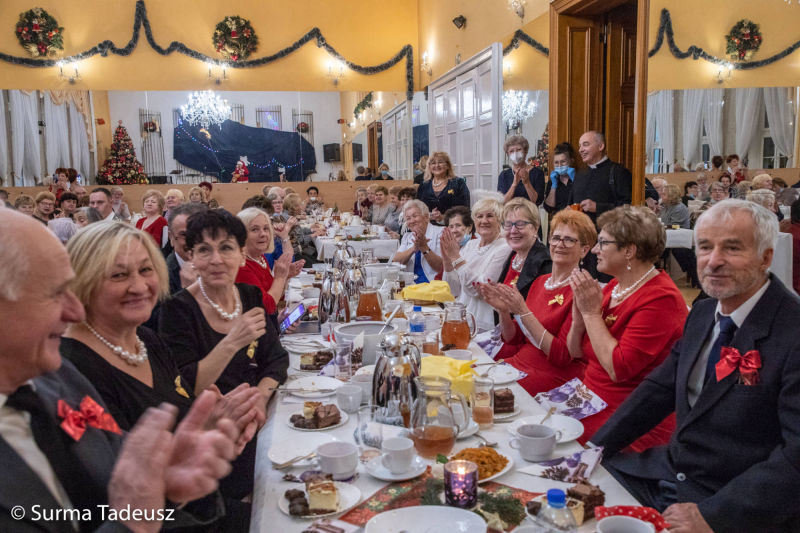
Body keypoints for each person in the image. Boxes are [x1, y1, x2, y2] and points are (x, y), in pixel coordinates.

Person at [0, 209, 240, 532]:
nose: (75, 311)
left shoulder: (57, 379)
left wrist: (168, 480)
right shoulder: (73, 361)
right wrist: (132, 522)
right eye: (54, 292)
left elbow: (116, 467)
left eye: (146, 270)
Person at [592, 199, 800, 532]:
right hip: (669, 472)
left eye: (732, 248)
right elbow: (659, 389)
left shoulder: (792, 331)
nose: (713, 261)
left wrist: (715, 516)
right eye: (704, 247)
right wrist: (595, 449)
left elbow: (795, 457)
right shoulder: (703, 312)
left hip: (732, 497)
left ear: (766, 258)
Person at [60, 221, 262, 527]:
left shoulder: (146, 340)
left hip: (197, 502)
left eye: (146, 270)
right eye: (118, 275)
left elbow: (182, 409)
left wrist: (214, 421)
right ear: (82, 282)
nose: (139, 287)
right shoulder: (71, 369)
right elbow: (108, 483)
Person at [567, 206, 687, 450]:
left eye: (603, 243)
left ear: (629, 251)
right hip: (589, 399)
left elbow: (618, 369)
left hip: (629, 419)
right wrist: (579, 320)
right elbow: (575, 353)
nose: (595, 250)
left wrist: (591, 314)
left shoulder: (661, 299)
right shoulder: (616, 286)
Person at [159, 209, 289, 399]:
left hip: (254, 404)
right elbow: (183, 387)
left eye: (226, 248)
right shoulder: (176, 310)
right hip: (208, 414)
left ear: (242, 255)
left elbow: (276, 359)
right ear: (192, 257)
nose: (216, 260)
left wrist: (260, 399)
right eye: (204, 250)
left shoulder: (249, 295)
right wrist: (232, 342)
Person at [478, 210, 596, 394]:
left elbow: (562, 356)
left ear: (584, 250)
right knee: (467, 377)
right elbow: (513, 338)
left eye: (569, 240)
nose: (560, 244)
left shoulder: (582, 291)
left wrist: (523, 311)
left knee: (481, 391)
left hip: (552, 375)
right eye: (555, 238)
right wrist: (503, 312)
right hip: (520, 363)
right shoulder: (541, 282)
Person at [441, 200, 511, 332]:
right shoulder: (471, 245)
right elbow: (453, 289)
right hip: (460, 317)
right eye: (479, 216)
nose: (484, 221)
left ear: (499, 220)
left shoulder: (505, 247)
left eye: (490, 216)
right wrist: (447, 259)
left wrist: (456, 258)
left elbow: (480, 289)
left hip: (482, 324)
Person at [236, 207, 303, 313]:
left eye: (266, 228)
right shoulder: (242, 266)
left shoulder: (259, 258)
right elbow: (267, 306)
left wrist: (286, 275)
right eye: (254, 229)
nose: (263, 234)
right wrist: (280, 277)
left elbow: (275, 297)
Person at [568, 131, 632, 224]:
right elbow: (570, 203)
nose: (580, 150)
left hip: (607, 230)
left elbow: (628, 207)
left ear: (600, 146)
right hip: (579, 230)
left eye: (585, 144)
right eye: (580, 146)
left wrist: (598, 207)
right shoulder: (579, 174)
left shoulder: (618, 172)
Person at [496, 198, 552, 300]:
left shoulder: (545, 263)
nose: (513, 231)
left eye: (520, 224)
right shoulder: (513, 255)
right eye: (508, 225)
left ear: (535, 228)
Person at [392, 200, 444, 284]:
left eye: (415, 216)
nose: (412, 221)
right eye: (408, 218)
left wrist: (424, 247)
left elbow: (440, 268)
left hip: (433, 285)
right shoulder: (407, 236)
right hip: (411, 285)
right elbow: (396, 262)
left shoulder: (440, 233)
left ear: (426, 217)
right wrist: (413, 248)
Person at [417, 151, 470, 225]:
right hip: (428, 227)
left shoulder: (458, 183)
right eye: (433, 163)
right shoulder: (424, 185)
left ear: (447, 165)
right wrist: (430, 215)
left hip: (453, 226)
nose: (437, 165)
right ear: (429, 167)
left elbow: (465, 209)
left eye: (440, 162)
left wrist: (443, 217)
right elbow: (419, 209)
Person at [166, 203, 208, 295]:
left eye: (199, 233)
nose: (193, 241)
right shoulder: (161, 278)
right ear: (171, 237)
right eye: (184, 235)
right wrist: (189, 292)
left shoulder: (219, 267)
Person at [497, 135, 545, 204]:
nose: (515, 154)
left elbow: (537, 202)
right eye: (511, 151)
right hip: (510, 210)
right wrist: (514, 184)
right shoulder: (504, 175)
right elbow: (502, 202)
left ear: (525, 151)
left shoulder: (537, 173)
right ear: (508, 154)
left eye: (519, 150)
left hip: (530, 210)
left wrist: (526, 183)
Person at [544, 142, 577, 214]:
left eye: (563, 161)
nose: (559, 165)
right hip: (558, 219)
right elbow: (548, 208)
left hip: (577, 218)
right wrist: (554, 186)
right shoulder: (552, 182)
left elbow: (583, 202)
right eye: (556, 162)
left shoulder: (581, 179)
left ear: (571, 161)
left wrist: (575, 180)